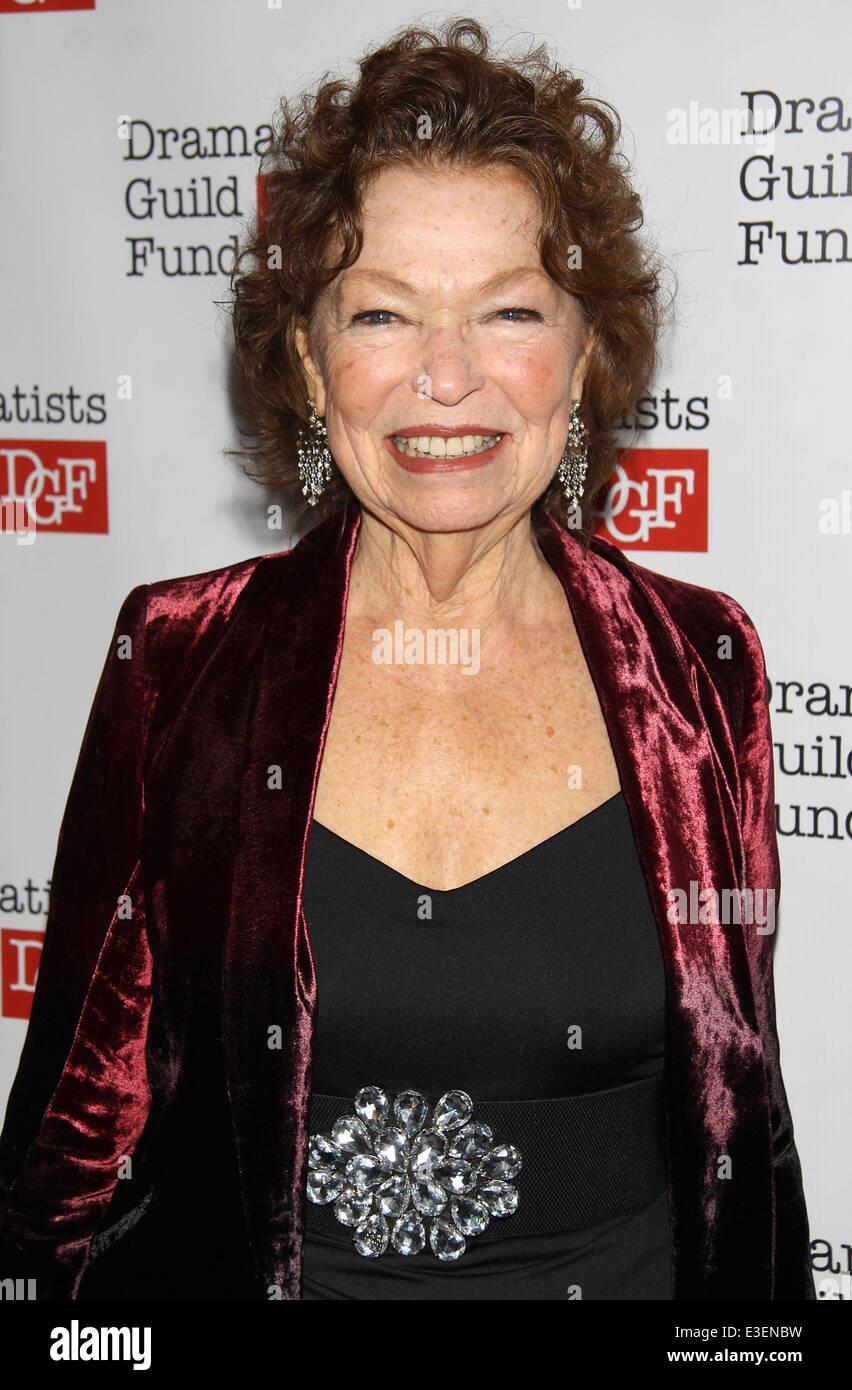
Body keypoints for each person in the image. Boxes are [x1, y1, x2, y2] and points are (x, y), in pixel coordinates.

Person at [0, 17, 812, 1301]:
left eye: (509, 309)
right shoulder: (182, 660)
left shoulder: (701, 665)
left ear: (585, 354)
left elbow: (744, 1115)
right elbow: (71, 1134)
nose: (446, 377)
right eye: (383, 312)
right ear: (312, 362)